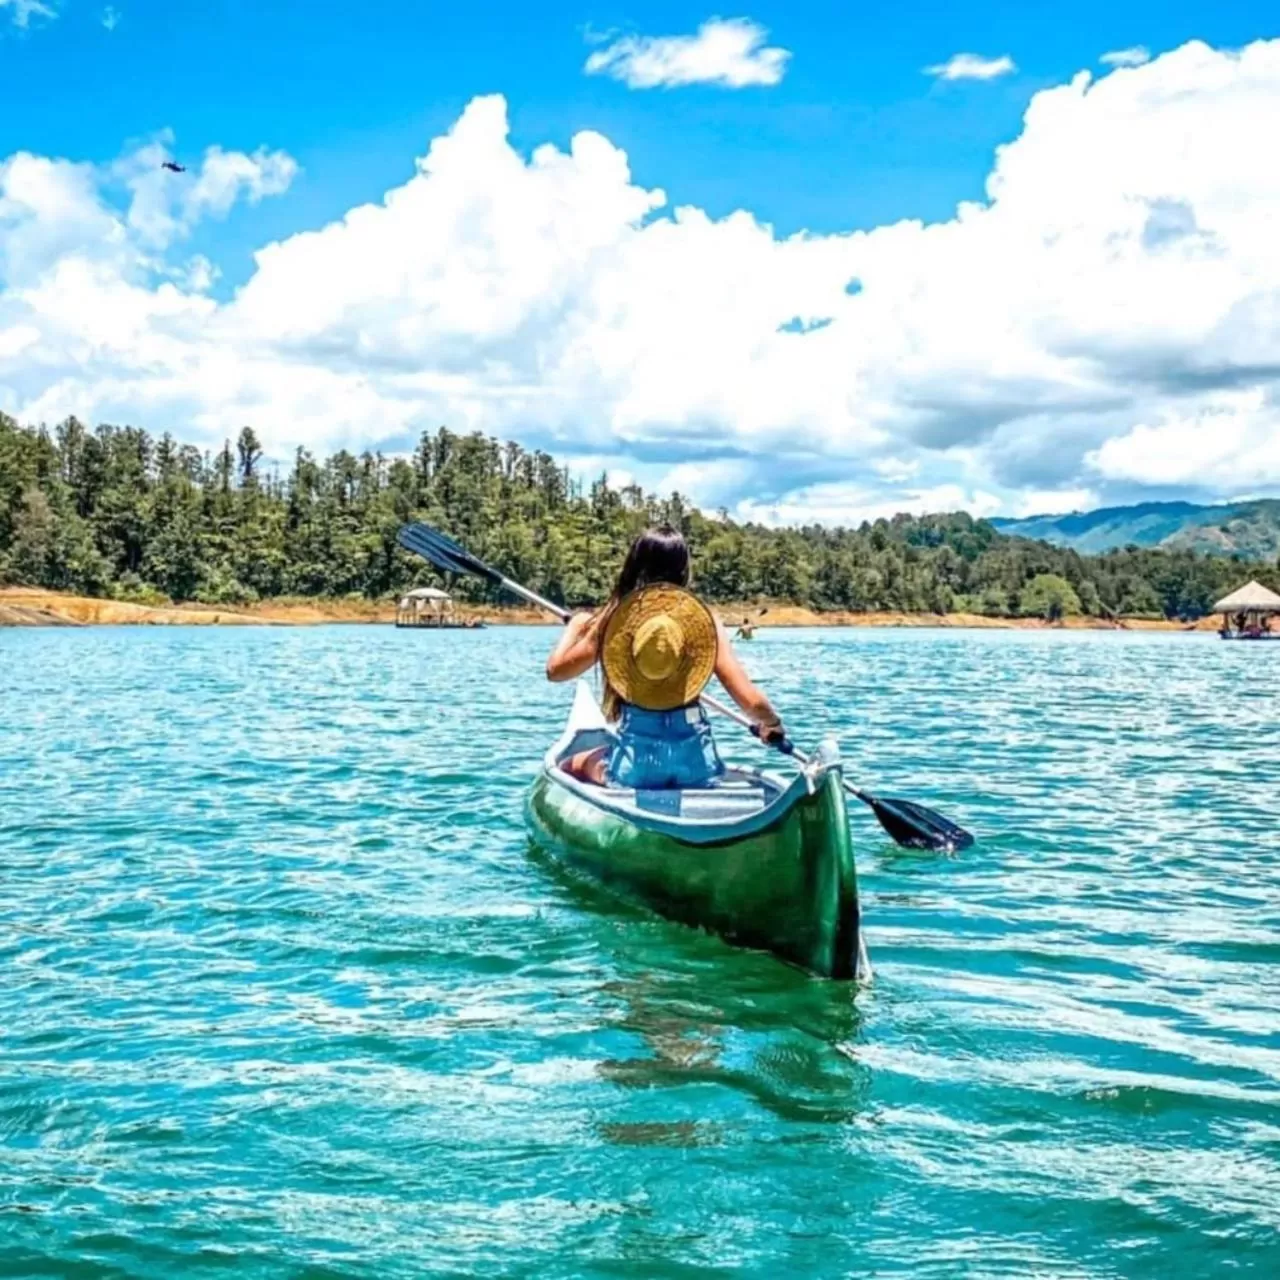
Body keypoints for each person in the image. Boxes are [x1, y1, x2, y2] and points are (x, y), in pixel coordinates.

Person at [545, 525, 785, 787]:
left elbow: (556, 672)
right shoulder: (703, 623)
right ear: (684, 569)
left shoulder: (617, 618)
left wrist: (575, 627)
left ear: (634, 566)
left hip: (636, 771)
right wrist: (771, 724)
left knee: (575, 762)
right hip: (697, 766)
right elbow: (751, 700)